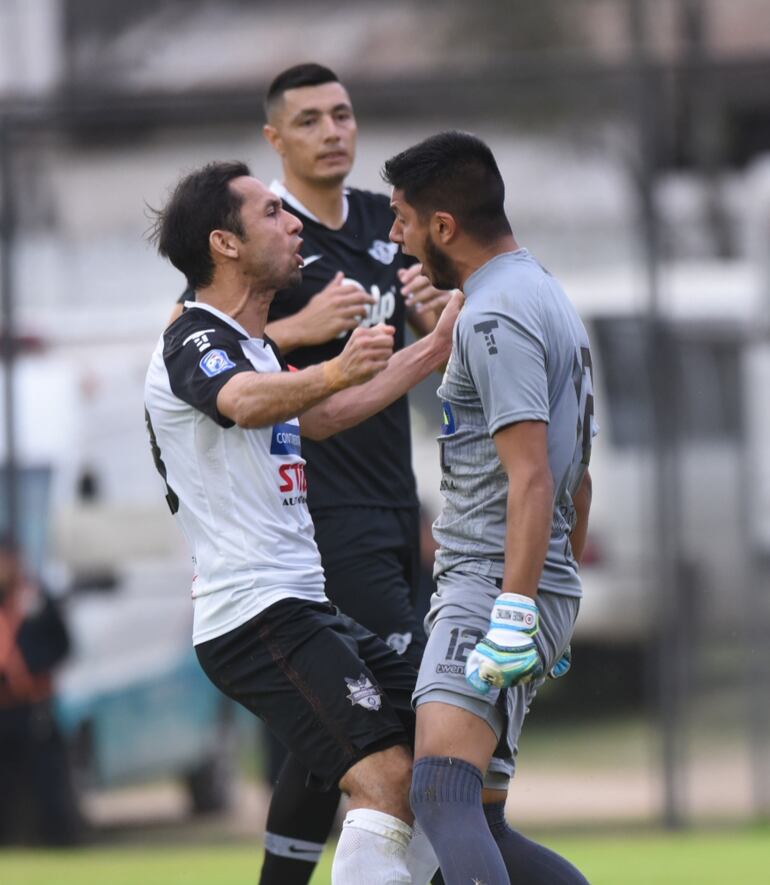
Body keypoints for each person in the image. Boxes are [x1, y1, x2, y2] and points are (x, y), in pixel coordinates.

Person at [169, 62, 450, 885]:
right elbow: (221, 374)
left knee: (379, 738)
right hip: (317, 530)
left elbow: (326, 407)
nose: (334, 131)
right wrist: (308, 336)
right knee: (389, 757)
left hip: (394, 502)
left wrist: (436, 329)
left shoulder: (383, 221)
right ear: (275, 139)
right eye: (311, 119)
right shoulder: (246, 280)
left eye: (343, 114)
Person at [383, 131, 594, 885]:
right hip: (527, 584)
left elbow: (533, 478)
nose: (396, 237)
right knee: (485, 827)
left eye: (404, 221)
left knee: (439, 795)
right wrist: (551, 595)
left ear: (443, 226)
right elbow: (580, 483)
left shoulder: (493, 317)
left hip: (488, 588)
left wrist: (512, 607)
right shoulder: (540, 291)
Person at [0, 535, 81, 845]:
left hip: (33, 704)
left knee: (48, 779)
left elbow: (63, 643)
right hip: (3, 705)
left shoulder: (35, 598)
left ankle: (57, 840)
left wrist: (33, 666)